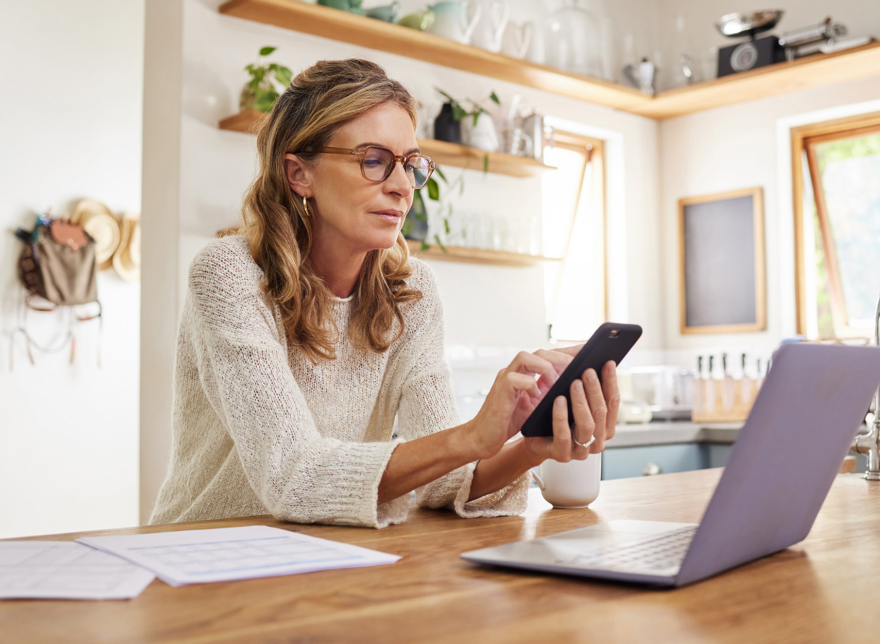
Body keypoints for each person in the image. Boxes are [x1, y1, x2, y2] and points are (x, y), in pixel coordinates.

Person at [150, 59, 621, 528]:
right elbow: (294, 476)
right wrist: (474, 435)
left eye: (411, 164)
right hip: (199, 556)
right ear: (299, 174)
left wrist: (529, 446)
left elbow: (442, 481)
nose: (401, 187)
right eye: (373, 160)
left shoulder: (410, 292)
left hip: (321, 559)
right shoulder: (229, 274)